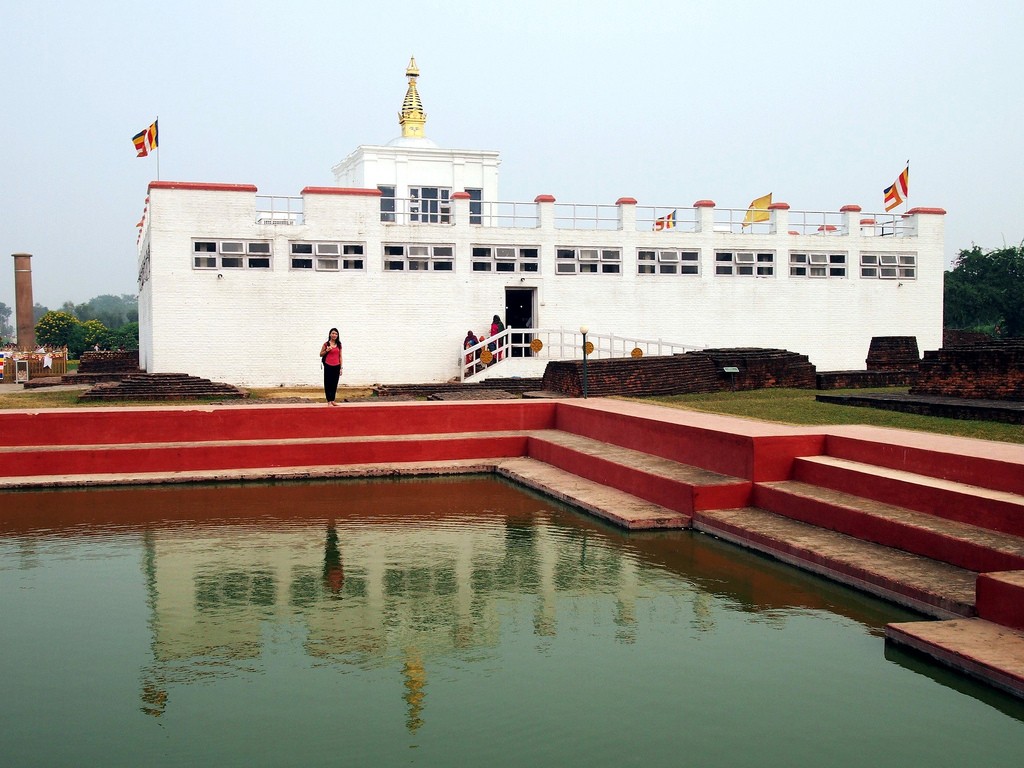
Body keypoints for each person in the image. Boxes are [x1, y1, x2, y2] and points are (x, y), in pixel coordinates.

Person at [319, 327, 343, 406]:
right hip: (328, 365)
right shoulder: (326, 344)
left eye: (336, 334)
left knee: (334, 383)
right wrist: (327, 350)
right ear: (330, 334)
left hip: (336, 366)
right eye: (333, 333)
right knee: (328, 383)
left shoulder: (339, 345)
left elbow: (340, 356)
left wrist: (341, 368)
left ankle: (333, 400)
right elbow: (320, 354)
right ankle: (329, 400)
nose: (334, 335)